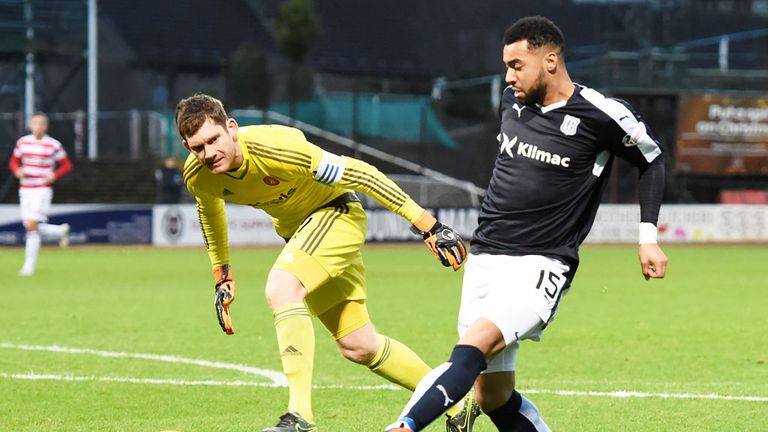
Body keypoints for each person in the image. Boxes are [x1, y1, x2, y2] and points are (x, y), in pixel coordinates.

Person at [385, 16, 668, 432]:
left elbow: (652, 159)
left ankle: (405, 425)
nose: (508, 76)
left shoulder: (600, 115)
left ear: (550, 60)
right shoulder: (510, 101)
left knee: (473, 346)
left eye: (517, 65)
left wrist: (648, 238)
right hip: (484, 258)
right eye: (505, 66)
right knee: (492, 396)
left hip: (541, 265)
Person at [175, 94, 478, 432]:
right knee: (359, 345)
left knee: (282, 287)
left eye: (214, 140)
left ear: (231, 128)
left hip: (335, 214)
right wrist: (222, 274)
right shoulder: (199, 175)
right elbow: (210, 210)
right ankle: (456, 398)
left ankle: (299, 417)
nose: (209, 153)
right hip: (301, 235)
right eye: (197, 147)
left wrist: (428, 225)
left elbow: (362, 174)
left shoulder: (279, 148)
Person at [9, 112, 73, 276]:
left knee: (31, 226)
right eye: (36, 123)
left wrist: (54, 175)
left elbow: (66, 165)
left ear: (46, 126)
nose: (38, 126)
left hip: (42, 189)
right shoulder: (23, 142)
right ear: (31, 125)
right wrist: (17, 170)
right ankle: (59, 232)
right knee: (31, 227)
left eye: (42, 123)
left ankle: (28, 267)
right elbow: (14, 161)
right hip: (25, 189)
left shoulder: (53, 145)